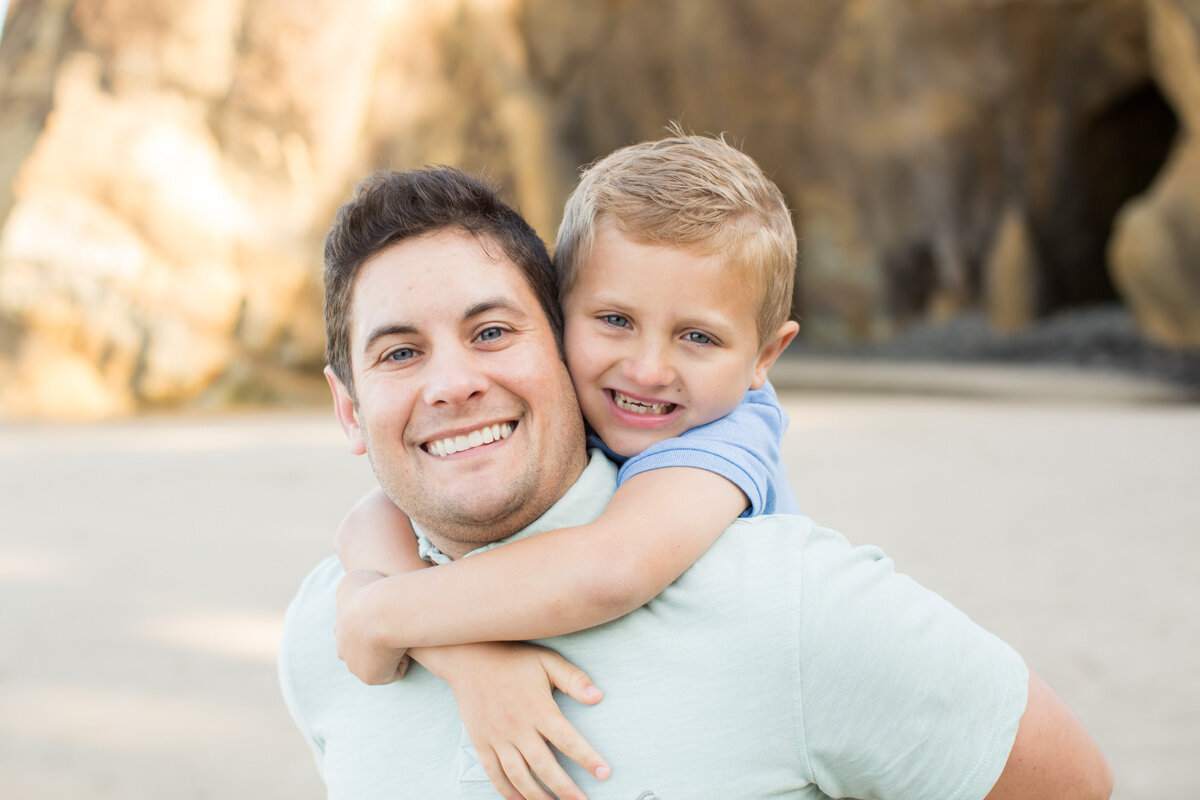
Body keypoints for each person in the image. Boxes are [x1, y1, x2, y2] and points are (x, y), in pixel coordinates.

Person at [278, 165, 1113, 800]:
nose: (453, 383)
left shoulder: (787, 597)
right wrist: (444, 643)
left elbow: (1072, 783)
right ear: (348, 410)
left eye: (492, 331)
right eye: (399, 353)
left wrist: (388, 614)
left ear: (555, 347)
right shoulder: (324, 636)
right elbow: (366, 534)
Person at [331, 132, 802, 798]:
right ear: (559, 316)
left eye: (697, 336)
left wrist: (382, 614)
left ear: (764, 357)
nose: (646, 368)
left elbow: (613, 570)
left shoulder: (727, 432)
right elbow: (370, 515)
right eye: (613, 319)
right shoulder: (593, 400)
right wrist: (467, 659)